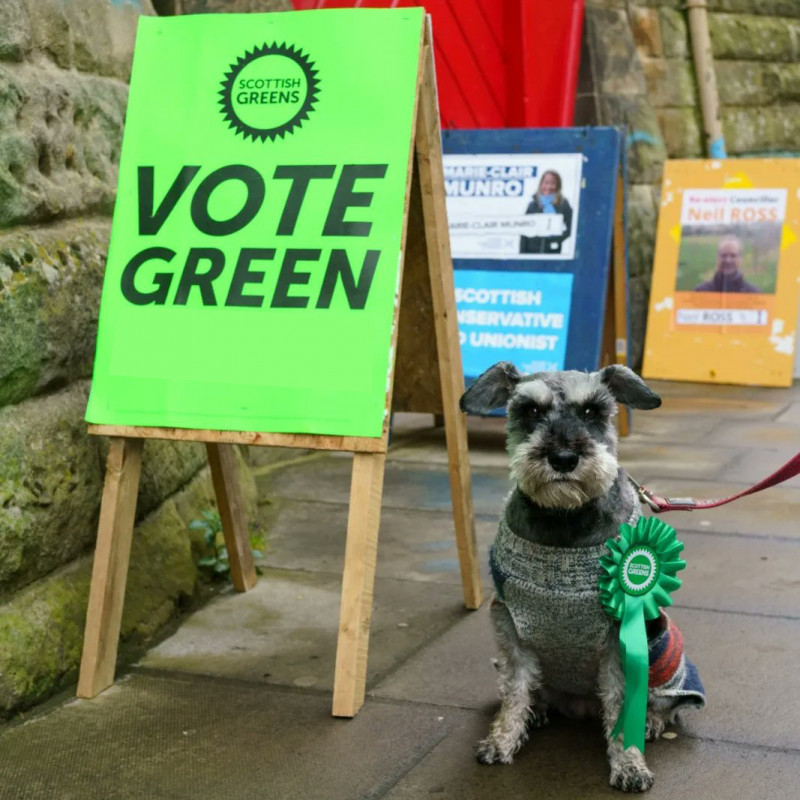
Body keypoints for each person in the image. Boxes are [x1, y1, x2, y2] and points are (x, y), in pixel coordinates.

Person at [519, 170, 573, 255]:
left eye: (553, 183)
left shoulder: (563, 204)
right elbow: (524, 231)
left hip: (552, 253)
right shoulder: (533, 205)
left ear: (558, 186)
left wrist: (556, 239)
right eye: (546, 183)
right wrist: (522, 254)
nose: (548, 187)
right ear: (541, 184)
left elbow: (572, 227)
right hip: (531, 252)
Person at [694, 236, 761, 293]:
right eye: (723, 255)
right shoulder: (701, 291)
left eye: (733, 256)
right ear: (717, 258)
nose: (728, 260)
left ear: (741, 259)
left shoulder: (753, 293)